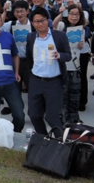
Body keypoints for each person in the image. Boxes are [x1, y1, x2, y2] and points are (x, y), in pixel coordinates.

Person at [25, 7, 72, 137]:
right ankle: (43, 138)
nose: (40, 24)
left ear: (48, 20)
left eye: (43, 20)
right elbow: (29, 59)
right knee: (34, 115)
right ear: (33, 24)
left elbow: (68, 55)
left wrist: (59, 56)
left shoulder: (59, 36)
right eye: (36, 21)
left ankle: (61, 142)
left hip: (53, 82)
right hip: (36, 80)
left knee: (52, 117)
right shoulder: (31, 37)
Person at [54, 3, 90, 123]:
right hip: (63, 65)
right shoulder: (62, 25)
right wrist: (61, 13)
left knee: (75, 92)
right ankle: (63, 118)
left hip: (75, 65)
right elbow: (53, 24)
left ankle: (74, 117)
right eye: (71, 14)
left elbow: (81, 47)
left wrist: (81, 45)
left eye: (77, 14)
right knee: (63, 94)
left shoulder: (81, 29)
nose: (74, 17)